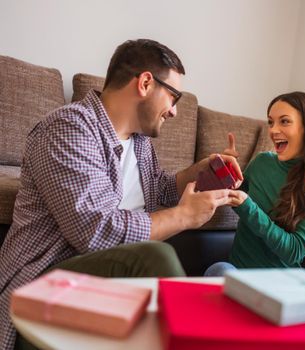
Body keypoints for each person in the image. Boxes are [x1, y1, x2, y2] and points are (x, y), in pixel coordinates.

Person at [0, 39, 242, 350]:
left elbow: (161, 188)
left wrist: (202, 171)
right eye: (173, 96)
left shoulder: (139, 144)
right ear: (145, 83)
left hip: (103, 290)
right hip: (45, 286)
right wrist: (184, 216)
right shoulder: (68, 129)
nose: (174, 111)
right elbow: (96, 232)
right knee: (157, 255)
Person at [205, 91, 305, 276]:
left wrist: (247, 206)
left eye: (284, 121)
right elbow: (232, 193)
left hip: (279, 284)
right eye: (271, 122)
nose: (272, 130)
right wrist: (226, 167)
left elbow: (293, 251)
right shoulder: (262, 162)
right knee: (218, 270)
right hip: (236, 274)